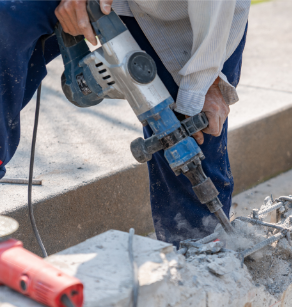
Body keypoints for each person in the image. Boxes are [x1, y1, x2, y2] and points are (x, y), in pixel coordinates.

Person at [0, 0, 250, 246]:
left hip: (186, 13)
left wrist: (204, 84)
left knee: (189, 139)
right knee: (8, 18)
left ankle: (201, 257)